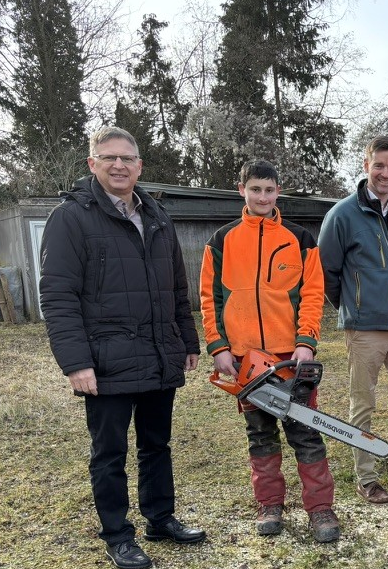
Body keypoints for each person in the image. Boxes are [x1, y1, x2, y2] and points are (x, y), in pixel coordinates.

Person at [39, 126, 205, 569]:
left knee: (157, 445)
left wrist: (187, 341)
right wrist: (76, 363)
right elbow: (57, 296)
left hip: (157, 353)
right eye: (108, 157)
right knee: (109, 454)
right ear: (92, 163)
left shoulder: (157, 216)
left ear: (139, 166)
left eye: (127, 158)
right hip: (105, 361)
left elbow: (177, 287)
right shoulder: (70, 218)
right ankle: (117, 535)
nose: (118, 165)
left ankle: (160, 518)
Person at [199, 160, 338, 542]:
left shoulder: (300, 239)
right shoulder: (221, 241)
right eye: (255, 189)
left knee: (305, 433)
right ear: (241, 189)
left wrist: (306, 342)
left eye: (269, 190)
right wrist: (219, 347)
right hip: (244, 358)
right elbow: (209, 298)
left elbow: (312, 295)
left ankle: (320, 508)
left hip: (290, 357)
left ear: (278, 191)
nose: (262, 197)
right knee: (259, 434)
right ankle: (269, 503)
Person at [318, 135, 388, 504]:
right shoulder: (342, 214)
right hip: (364, 329)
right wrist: (352, 307)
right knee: (364, 402)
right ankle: (367, 477)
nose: (386, 173)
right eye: (379, 165)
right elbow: (326, 270)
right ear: (366, 166)